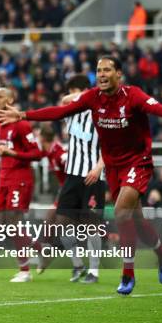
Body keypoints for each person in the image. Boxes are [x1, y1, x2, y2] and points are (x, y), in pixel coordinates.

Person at [0, 56, 162, 295]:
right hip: (113, 167)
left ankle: (127, 274)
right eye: (99, 70)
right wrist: (25, 115)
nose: (101, 74)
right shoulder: (93, 97)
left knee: (122, 212)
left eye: (107, 70)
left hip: (137, 161)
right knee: (138, 221)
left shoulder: (133, 96)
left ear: (118, 74)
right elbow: (61, 111)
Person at [42, 75, 107, 284]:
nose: (71, 95)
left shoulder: (101, 114)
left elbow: (108, 147)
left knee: (91, 225)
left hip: (93, 176)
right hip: (72, 175)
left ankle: (94, 271)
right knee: (62, 222)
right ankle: (78, 265)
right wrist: (86, 94)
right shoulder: (71, 113)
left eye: (75, 90)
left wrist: (98, 168)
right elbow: (64, 101)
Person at [0, 87, 45, 283]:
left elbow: (36, 153)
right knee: (1, 224)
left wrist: (13, 154)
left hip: (20, 178)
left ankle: (25, 271)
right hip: (5, 178)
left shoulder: (21, 124)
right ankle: (40, 249)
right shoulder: (0, 123)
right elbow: (5, 150)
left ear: (11, 99)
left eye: (0, 96)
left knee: (13, 225)